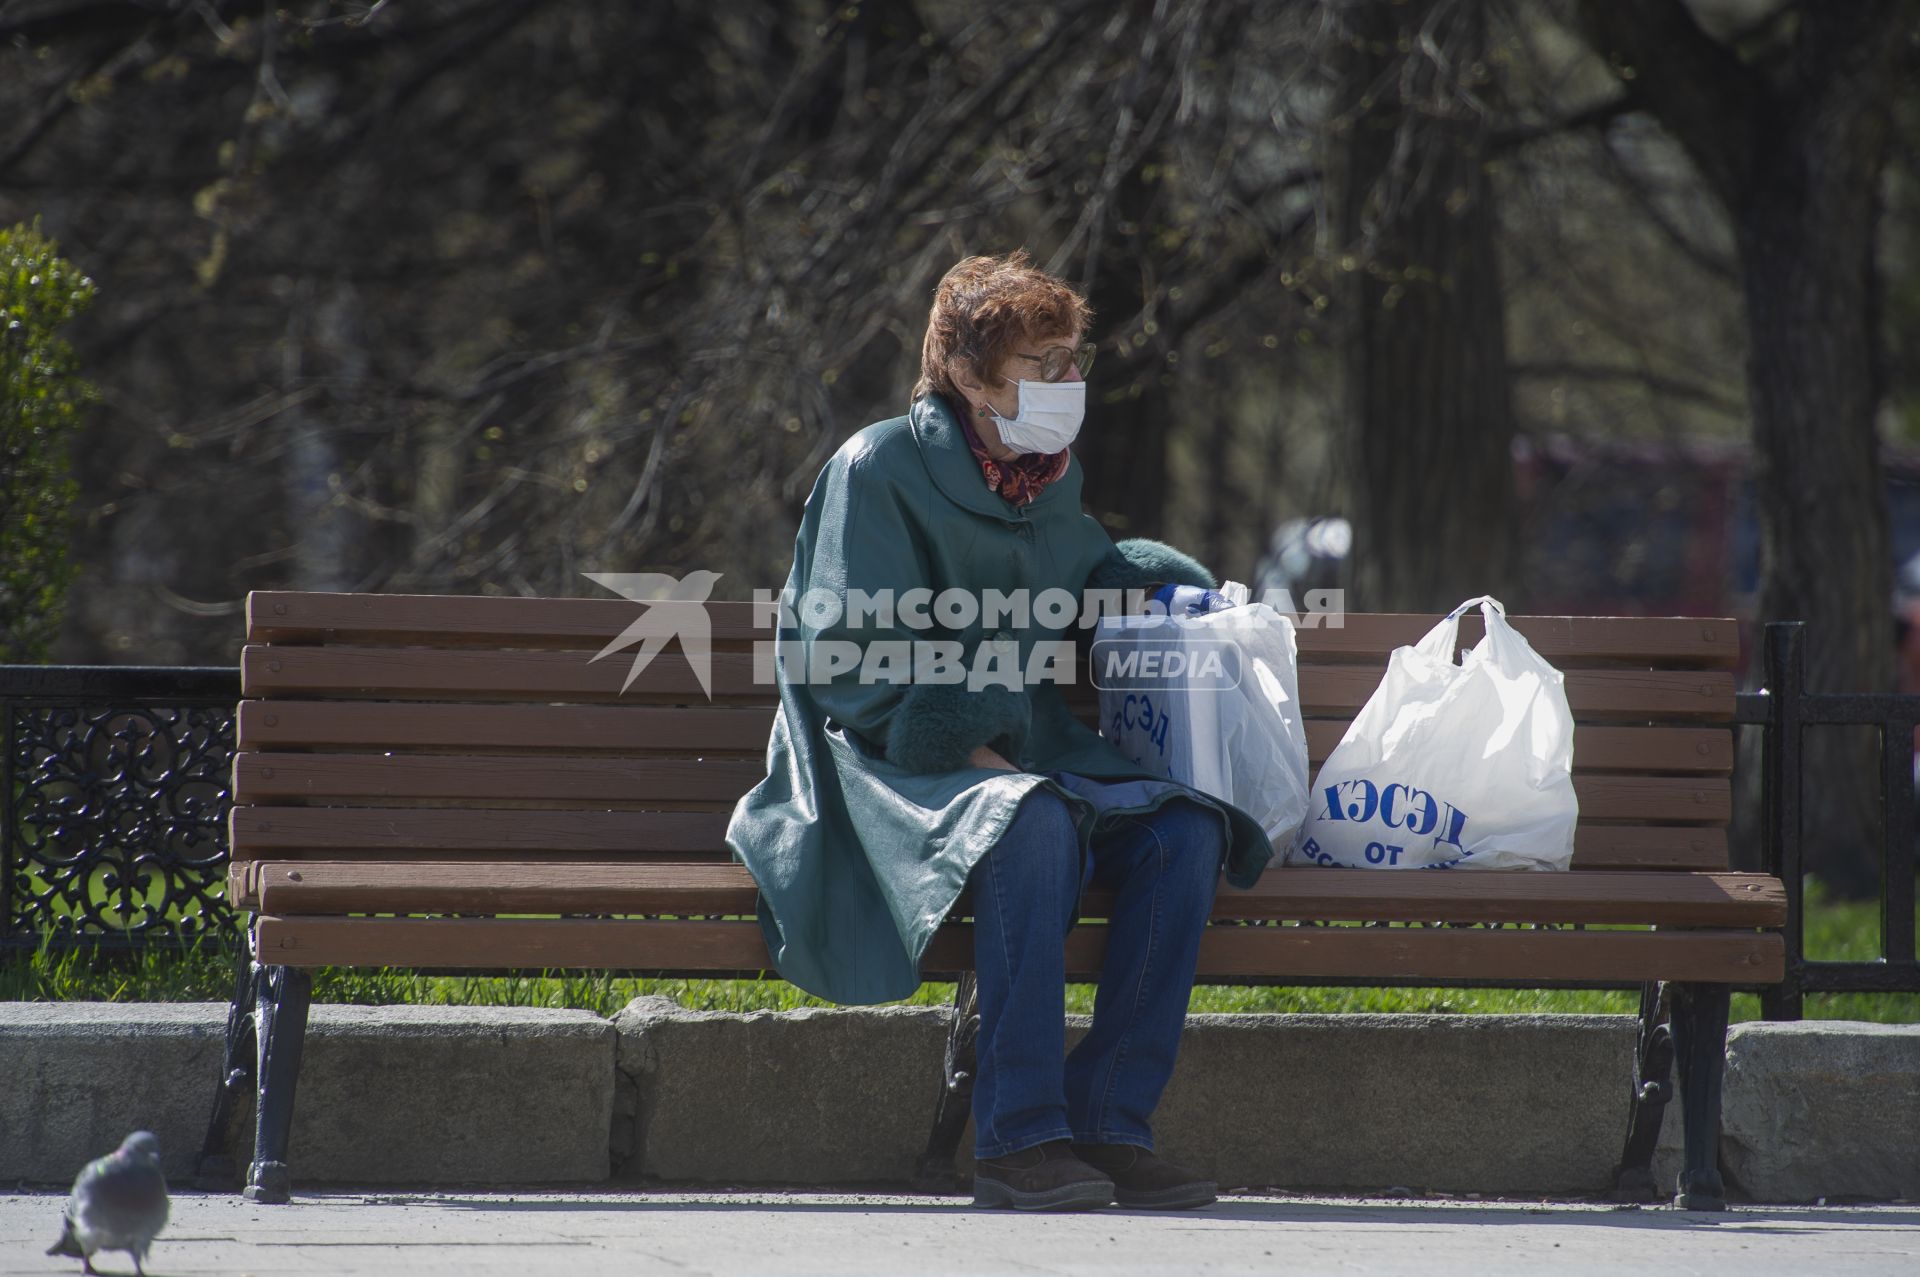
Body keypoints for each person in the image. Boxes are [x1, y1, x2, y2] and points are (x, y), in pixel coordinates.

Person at [726, 251, 1273, 1212]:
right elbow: (845, 653)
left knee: (1183, 832)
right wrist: (964, 734)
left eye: (1073, 357)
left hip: (1027, 747)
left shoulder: (1046, 475)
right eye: (1043, 362)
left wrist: (1152, 587)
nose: (1070, 381)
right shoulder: (880, 464)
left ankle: (1108, 1124)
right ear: (972, 377)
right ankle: (1020, 1139)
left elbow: (1082, 570)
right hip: (888, 752)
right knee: (1032, 821)